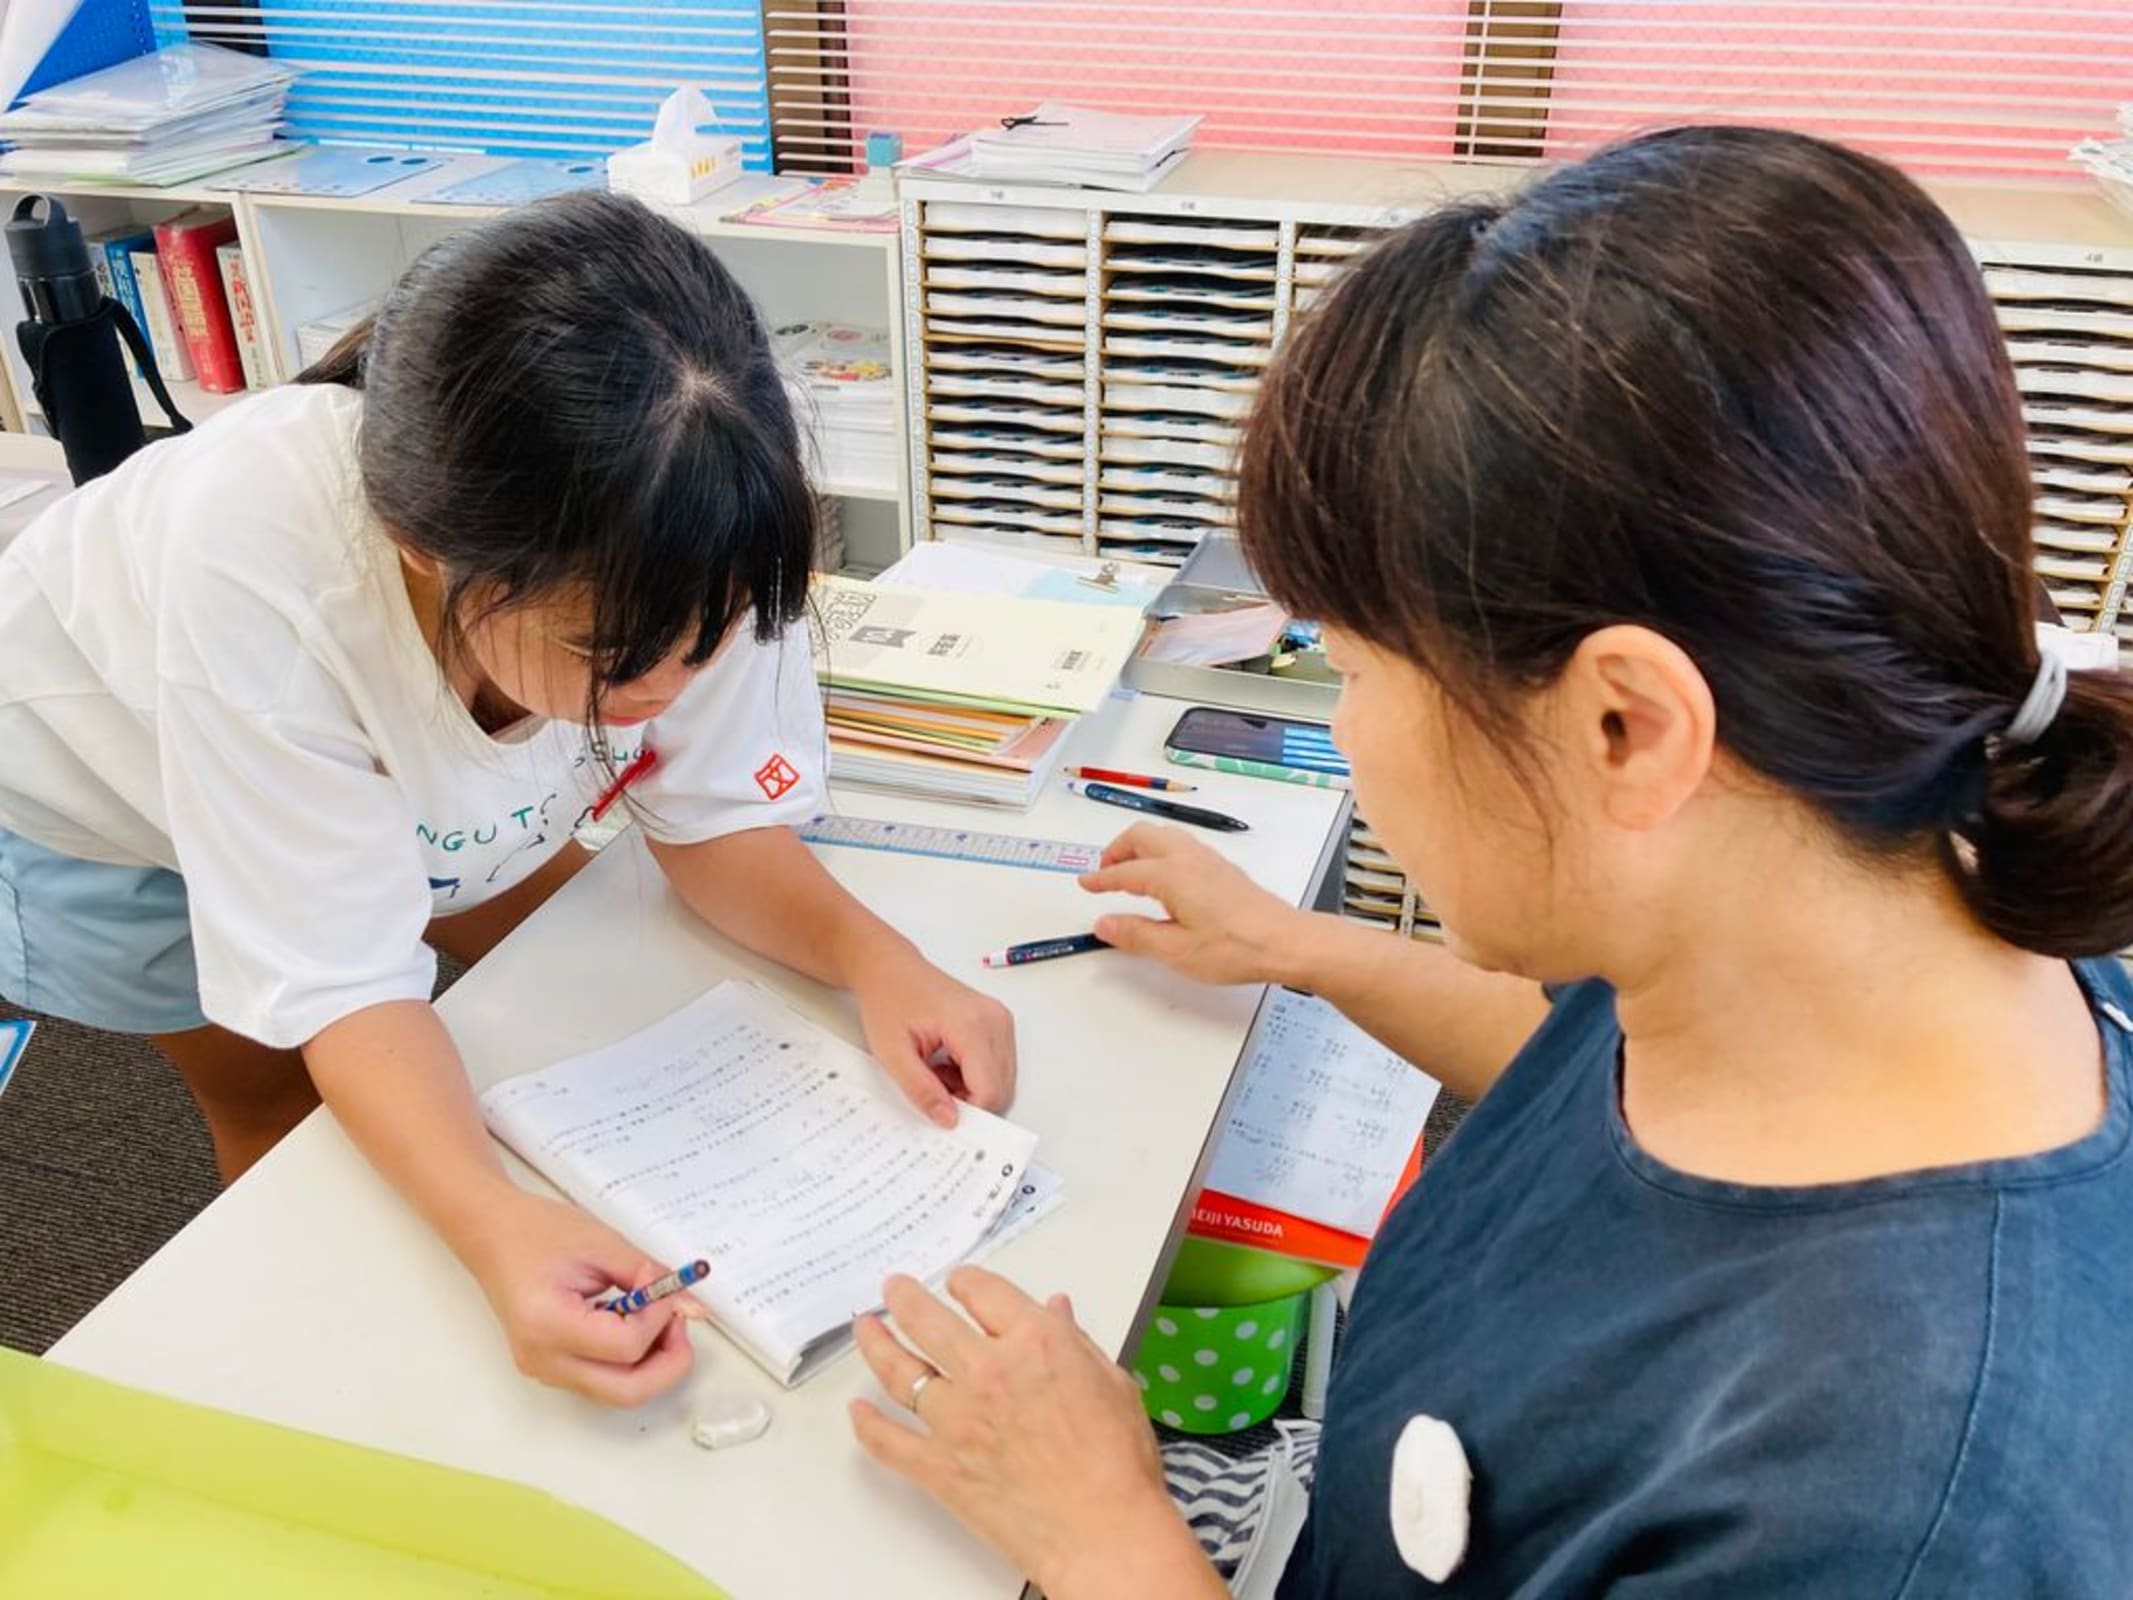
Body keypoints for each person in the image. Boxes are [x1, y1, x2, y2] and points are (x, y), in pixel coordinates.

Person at [843, 125, 2133, 1595]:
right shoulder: (1833, 926)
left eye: (1352, 668)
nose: (1346, 728)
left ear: (1625, 727)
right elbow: (1569, 1075)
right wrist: (1295, 946)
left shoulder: (1885, 1511)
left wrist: (1105, 1536)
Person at [0, 191, 1013, 1407]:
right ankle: (314, 1394)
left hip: (376, 767)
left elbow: (715, 820)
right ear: (425, 546)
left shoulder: (704, 510)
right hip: (109, 796)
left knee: (567, 992)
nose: (671, 690)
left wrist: (877, 959)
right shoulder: (256, 569)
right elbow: (343, 991)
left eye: (712, 640)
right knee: (281, 1109)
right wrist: (490, 1221)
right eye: (613, 655)